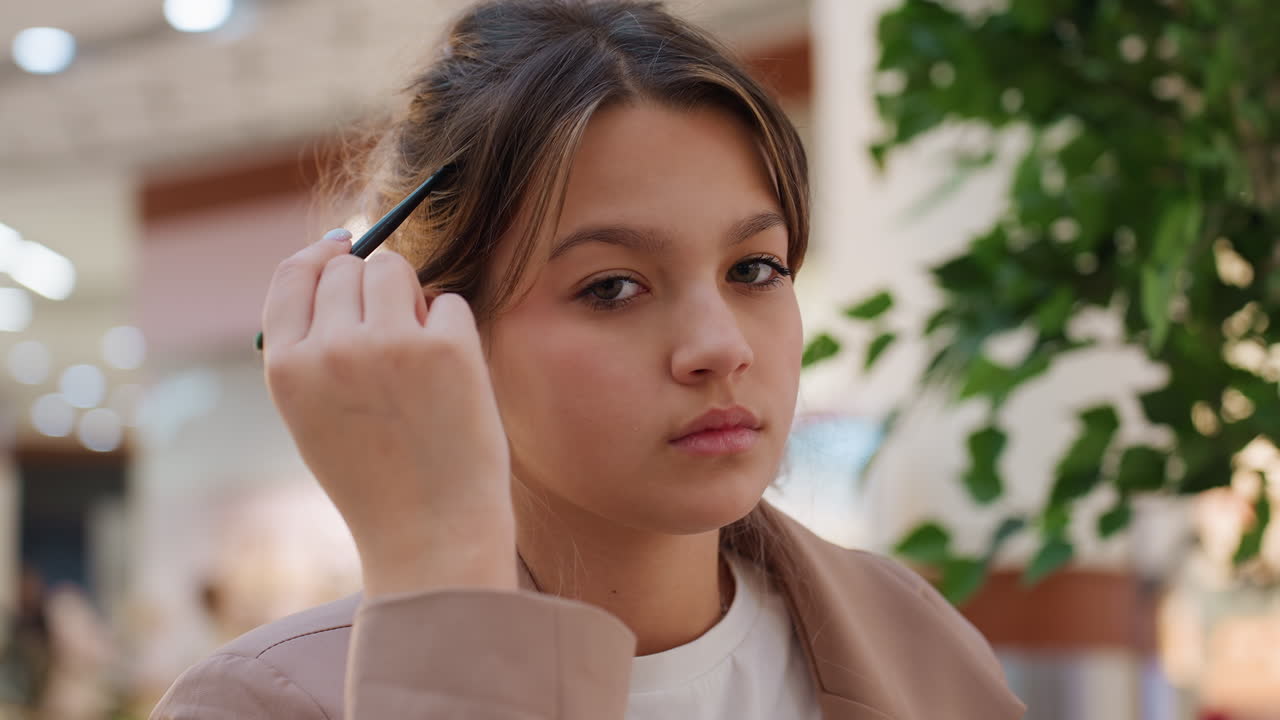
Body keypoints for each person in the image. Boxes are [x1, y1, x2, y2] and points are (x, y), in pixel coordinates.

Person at [152, 1, 1026, 717]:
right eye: (611, 287)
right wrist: (442, 576)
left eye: (755, 269)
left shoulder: (917, 646)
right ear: (439, 330)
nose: (719, 345)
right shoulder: (262, 704)